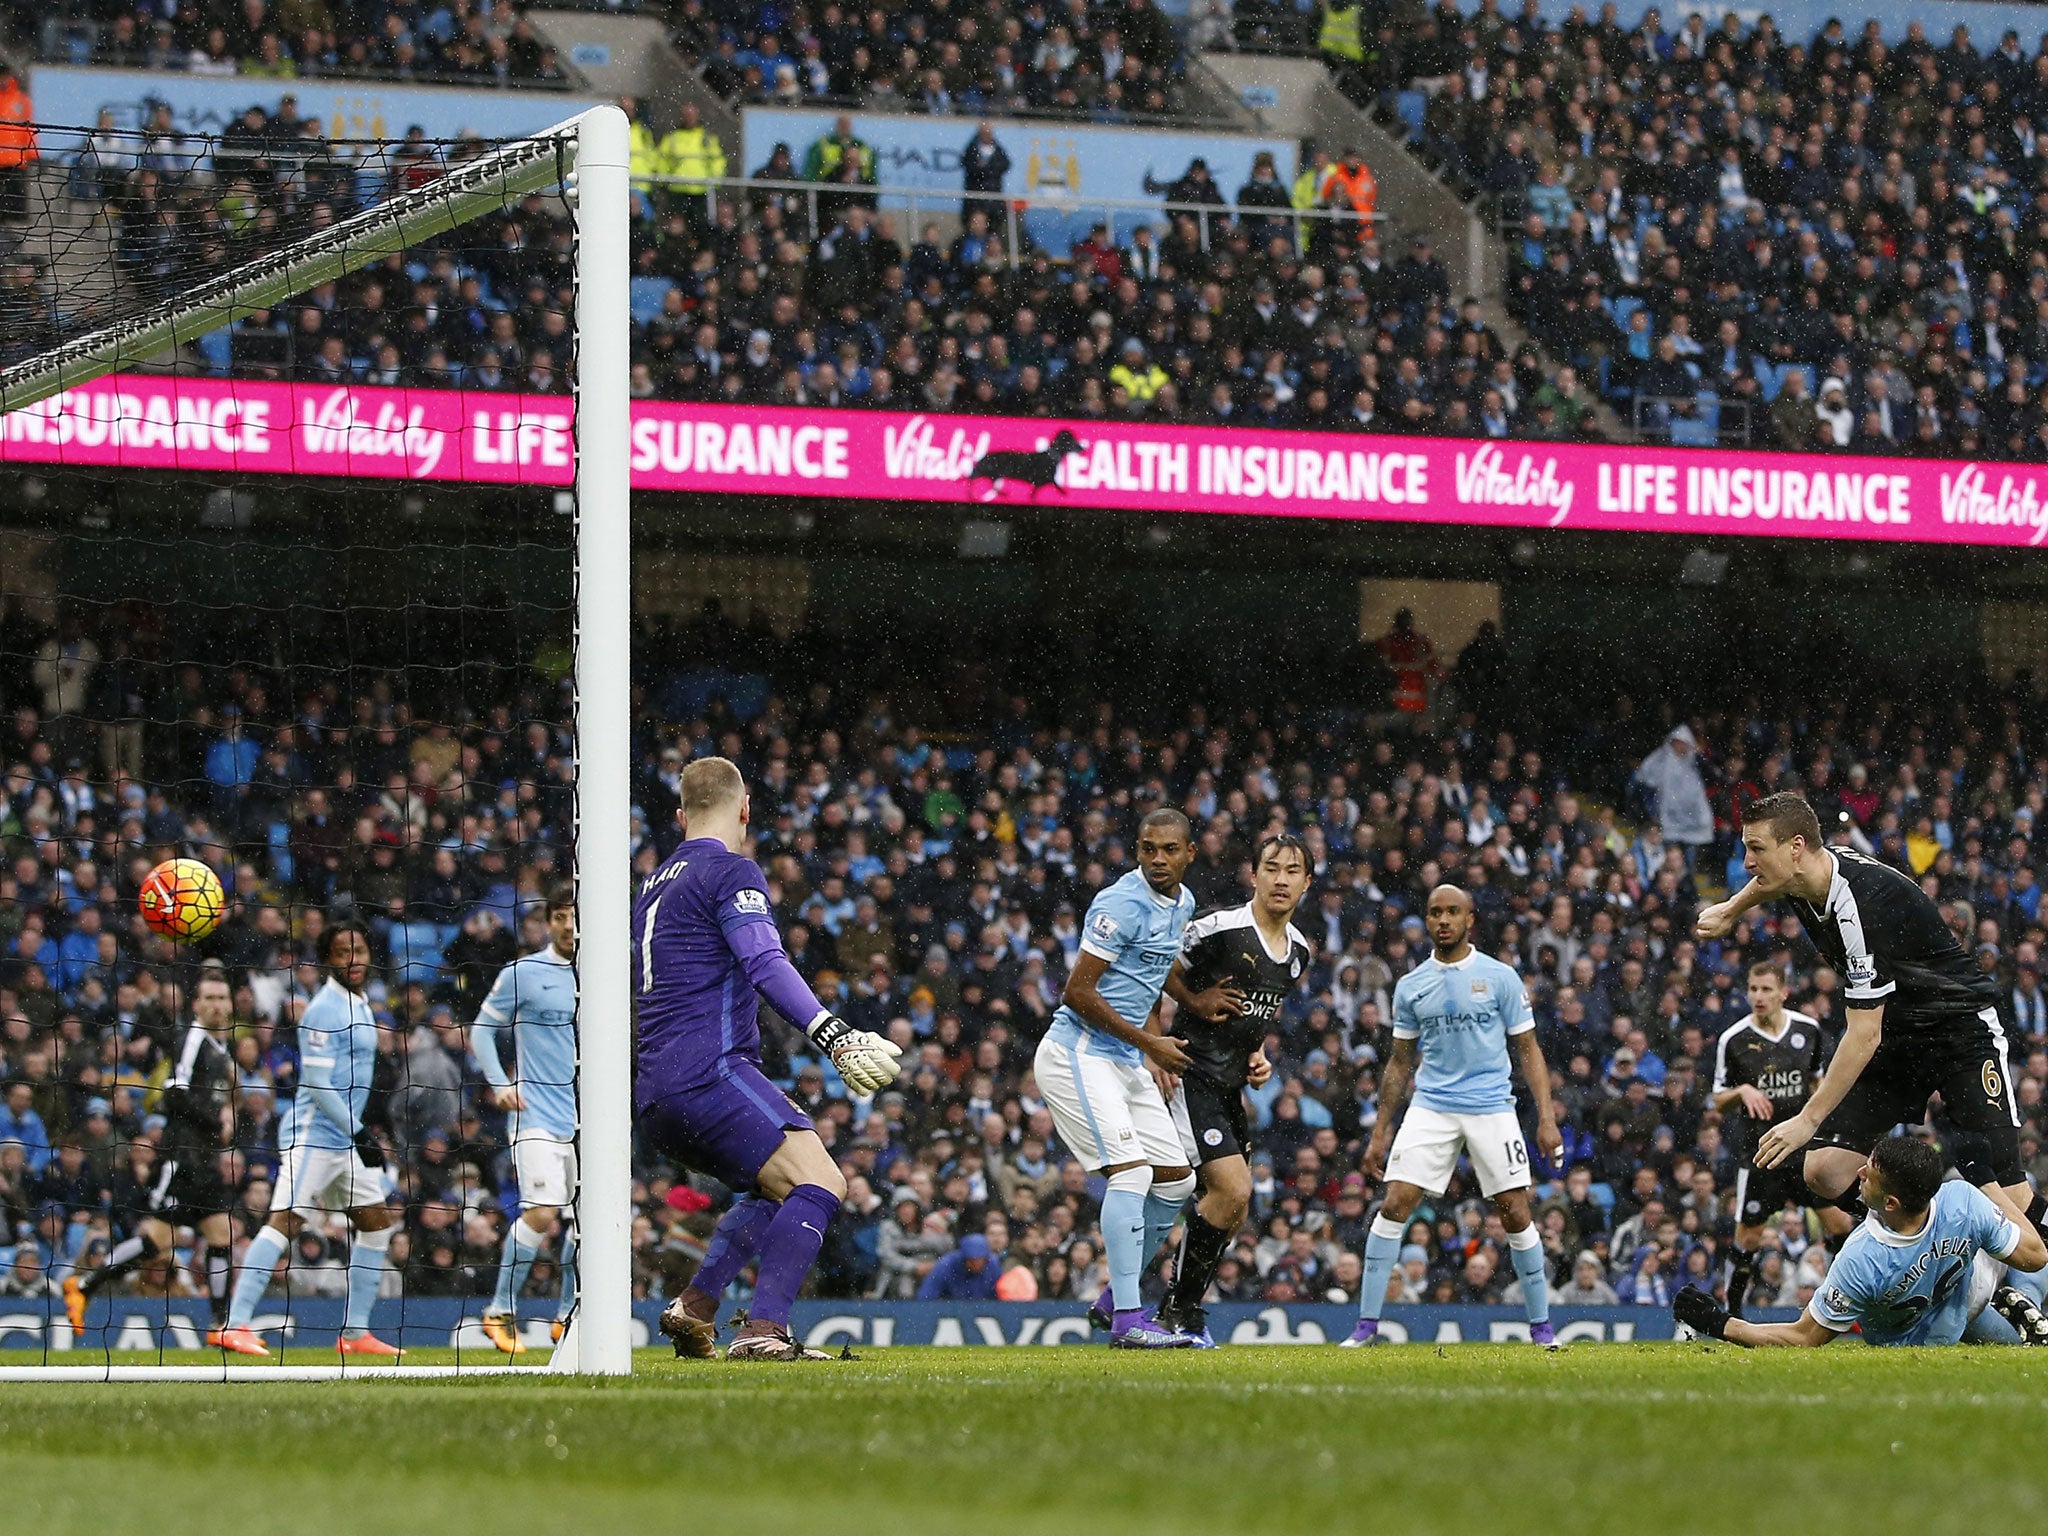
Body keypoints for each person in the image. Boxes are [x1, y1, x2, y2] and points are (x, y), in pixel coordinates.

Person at [636, 756, 901, 1362]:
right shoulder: (732, 871)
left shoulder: (651, 884)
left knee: (772, 1188)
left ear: (680, 816)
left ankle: (696, 1308)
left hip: (654, 1092)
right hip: (712, 1072)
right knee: (823, 1180)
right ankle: (762, 1333)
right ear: (746, 809)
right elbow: (764, 960)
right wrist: (832, 1033)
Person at [1697, 793, 2040, 1238]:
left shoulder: (1858, 906)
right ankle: (1932, 1238)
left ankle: (1987, 1242)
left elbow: (1862, 1036)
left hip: (1959, 1032)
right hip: (1900, 1038)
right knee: (1824, 1171)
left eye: (1757, 848)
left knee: (2012, 1196)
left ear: (1796, 847)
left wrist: (1807, 1119)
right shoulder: (1806, 873)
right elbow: (1768, 882)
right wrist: (1730, 909)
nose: (1747, 862)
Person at [1343, 884, 1563, 1348]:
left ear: (1470, 920)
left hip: (1491, 1106)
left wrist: (1546, 1117)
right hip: (1432, 1106)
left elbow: (1529, 1049)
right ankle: (1365, 1327)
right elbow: (1400, 1062)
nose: (1443, 920)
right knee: (1395, 1202)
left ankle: (1542, 1329)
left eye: (1453, 912)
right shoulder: (1411, 985)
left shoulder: (1501, 977)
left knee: (1515, 1211)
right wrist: (1379, 1132)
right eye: (1435, 912)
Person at [1033, 807, 1201, 1348]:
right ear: (1137, 850)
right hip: (1078, 1053)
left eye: (1169, 849)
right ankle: (1130, 1320)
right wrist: (1150, 1042)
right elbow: (1077, 993)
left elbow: (1155, 969)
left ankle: (1113, 1297)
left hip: (1125, 1058)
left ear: (1189, 854)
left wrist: (1189, 1002)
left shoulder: (1184, 903)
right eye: (1148, 848)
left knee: (1178, 1182)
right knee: (1130, 1176)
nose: (1158, 858)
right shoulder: (1119, 904)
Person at [1152, 833, 1310, 1347]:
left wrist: (1257, 1054)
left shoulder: (1299, 951)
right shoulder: (1221, 929)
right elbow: (1154, 972)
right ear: (1255, 874)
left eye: (1292, 871)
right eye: (1272, 868)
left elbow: (1256, 1014)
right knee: (1231, 1190)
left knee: (1231, 1206)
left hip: (1230, 1083)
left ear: (1307, 883)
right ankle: (1175, 1312)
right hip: (1190, 1073)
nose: (1281, 879)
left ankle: (1156, 1305)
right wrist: (1156, 1043)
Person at [215, 925, 401, 1357]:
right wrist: (361, 1132)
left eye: (358, 949)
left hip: (344, 1141)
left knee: (376, 1226)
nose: (352, 959)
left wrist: (357, 1132)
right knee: (286, 1222)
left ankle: (354, 1333)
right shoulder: (322, 1010)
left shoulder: (362, 1005)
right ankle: (235, 1323)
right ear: (327, 961)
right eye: (341, 953)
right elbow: (316, 1083)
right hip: (314, 1137)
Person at [1674, 1135, 2048, 1347]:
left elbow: (1802, 1338)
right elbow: (2035, 1255)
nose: (1859, 1174)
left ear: (1891, 1203)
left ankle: (2021, 1305)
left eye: (1867, 1176)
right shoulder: (1962, 1200)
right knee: (2027, 1346)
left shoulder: (1861, 1258)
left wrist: (1719, 1322)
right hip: (1966, 1301)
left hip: (1922, 1337)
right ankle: (2024, 1303)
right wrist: (1985, 1181)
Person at [65, 967, 237, 1336]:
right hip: (181, 1159)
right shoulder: (192, 1039)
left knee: (221, 1234)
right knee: (154, 1241)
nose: (217, 1005)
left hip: (204, 1160)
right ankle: (82, 1286)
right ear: (196, 1005)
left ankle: (221, 1324)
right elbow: (174, 1093)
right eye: (209, 998)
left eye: (222, 998)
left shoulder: (222, 1046)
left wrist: (224, 1118)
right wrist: (215, 1121)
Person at [471, 884, 579, 1355]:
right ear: (549, 921)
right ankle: (498, 1309)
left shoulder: (608, 974)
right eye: (560, 916)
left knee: (589, 1227)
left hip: (588, 1122)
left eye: (576, 916)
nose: (570, 925)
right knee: (541, 1213)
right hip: (535, 1115)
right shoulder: (525, 973)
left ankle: (566, 1319)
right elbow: (481, 1030)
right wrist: (499, 1083)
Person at [1709, 959, 1850, 1313]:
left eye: (1766, 989)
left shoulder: (1808, 1030)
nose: (1759, 996)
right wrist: (1741, 1091)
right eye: (1753, 989)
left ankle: (1849, 1300)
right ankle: (1734, 1313)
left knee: (1839, 1223)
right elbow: (1717, 1098)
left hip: (1804, 1148)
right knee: (1749, 1237)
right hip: (1760, 1152)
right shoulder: (1733, 1039)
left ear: (1783, 993)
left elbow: (1819, 1082)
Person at [1633, 725, 1714, 862]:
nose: (1681, 746)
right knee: (1670, 855)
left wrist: (1699, 756)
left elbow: (1712, 775)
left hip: (1692, 818)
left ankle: (1687, 878)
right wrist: (1651, 812)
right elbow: (1645, 779)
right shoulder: (1661, 760)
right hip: (1668, 817)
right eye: (1678, 742)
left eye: (1684, 742)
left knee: (1688, 855)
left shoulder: (1693, 762)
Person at [915, 1232, 999, 1300]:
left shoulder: (993, 1265)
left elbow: (1001, 1298)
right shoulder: (946, 1265)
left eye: (980, 1260)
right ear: (964, 1258)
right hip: (950, 1311)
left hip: (983, 1311)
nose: (976, 1264)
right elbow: (925, 1297)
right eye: (972, 1261)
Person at [960, 120, 1010, 219]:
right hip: (975, 197)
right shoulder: (972, 149)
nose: (986, 135)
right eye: (984, 133)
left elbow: (1005, 165)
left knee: (994, 222)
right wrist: (987, 170)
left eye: (988, 133)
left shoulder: (998, 150)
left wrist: (985, 168)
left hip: (993, 196)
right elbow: (969, 165)